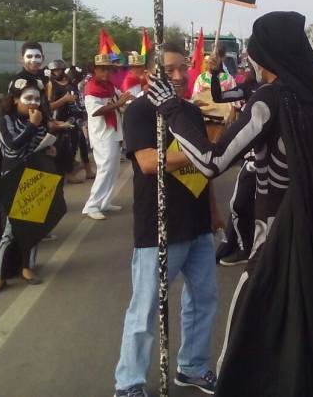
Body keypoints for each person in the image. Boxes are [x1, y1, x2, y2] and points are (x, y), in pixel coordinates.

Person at [147, 11, 313, 397]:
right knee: (304, 325)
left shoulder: (271, 99)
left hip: (274, 242)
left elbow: (211, 162)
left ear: (265, 54)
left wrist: (171, 110)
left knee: (247, 336)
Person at [114, 43, 222, 397]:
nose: (177, 76)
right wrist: (196, 150)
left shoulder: (187, 110)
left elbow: (204, 169)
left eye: (182, 69)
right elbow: (147, 162)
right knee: (145, 308)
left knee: (203, 299)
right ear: (150, 75)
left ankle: (192, 366)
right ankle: (129, 382)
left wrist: (213, 210)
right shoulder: (140, 112)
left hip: (197, 224)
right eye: (169, 70)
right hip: (158, 227)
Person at [0, 75, 52, 297]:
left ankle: (27, 267)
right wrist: (33, 126)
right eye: (27, 98)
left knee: (32, 227)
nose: (33, 103)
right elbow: (12, 148)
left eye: (36, 98)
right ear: (14, 99)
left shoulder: (40, 119)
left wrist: (49, 147)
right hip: (13, 178)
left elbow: (37, 144)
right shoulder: (3, 121)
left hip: (36, 176)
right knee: (10, 231)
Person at [207, 58, 260, 266]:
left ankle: (246, 247)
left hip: (268, 160)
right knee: (240, 204)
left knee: (248, 205)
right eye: (246, 66)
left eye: (250, 65)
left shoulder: (276, 90)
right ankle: (238, 244)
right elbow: (219, 96)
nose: (247, 69)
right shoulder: (248, 89)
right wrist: (215, 74)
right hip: (251, 158)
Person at [81, 54, 134, 220]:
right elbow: (95, 111)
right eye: (102, 69)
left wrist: (127, 99)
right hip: (102, 135)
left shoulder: (110, 86)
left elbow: (121, 98)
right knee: (105, 170)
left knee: (113, 170)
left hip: (114, 131)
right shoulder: (91, 88)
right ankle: (92, 205)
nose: (106, 72)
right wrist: (119, 103)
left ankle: (105, 202)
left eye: (109, 69)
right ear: (94, 70)